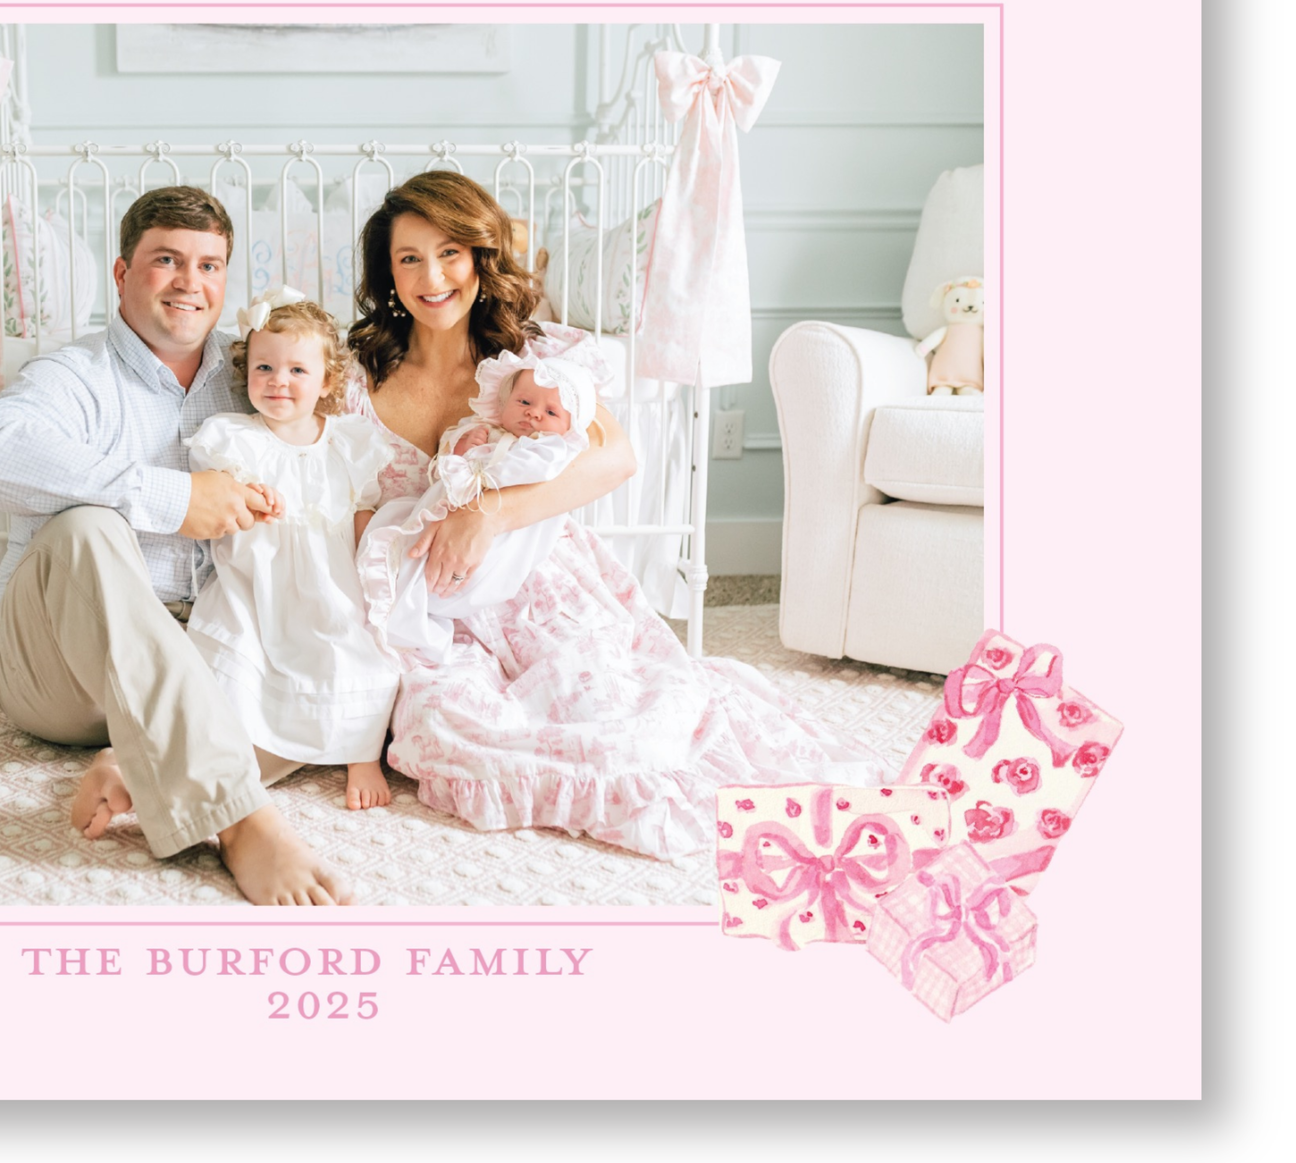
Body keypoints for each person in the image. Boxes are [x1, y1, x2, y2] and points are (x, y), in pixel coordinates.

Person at [341, 170, 886, 862]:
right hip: (428, 606)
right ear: (387, 273)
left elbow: (616, 458)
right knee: (454, 730)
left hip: (538, 579)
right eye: (409, 258)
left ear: (481, 256)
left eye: (450, 252)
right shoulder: (357, 375)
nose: (433, 275)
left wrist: (487, 513)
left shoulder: (535, 358)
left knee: (622, 721)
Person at [0, 186, 351, 905]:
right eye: (166, 261)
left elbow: (345, 442)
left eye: (208, 266)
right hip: (60, 669)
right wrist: (174, 500)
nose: (189, 283)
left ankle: (141, 766)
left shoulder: (260, 372)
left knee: (324, 670)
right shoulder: (73, 376)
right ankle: (237, 820)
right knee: (86, 526)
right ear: (122, 273)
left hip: (209, 655)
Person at [185, 287, 400, 811]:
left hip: (330, 580)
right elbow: (214, 498)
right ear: (246, 373)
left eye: (297, 371)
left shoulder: (348, 441)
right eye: (264, 368)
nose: (278, 381)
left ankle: (361, 753)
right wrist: (251, 495)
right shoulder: (234, 438)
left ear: (327, 381)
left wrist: (376, 564)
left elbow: (364, 510)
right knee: (232, 656)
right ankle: (241, 748)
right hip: (257, 584)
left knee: (357, 651)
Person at [358, 346, 605, 660]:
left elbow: (525, 477)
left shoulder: (551, 450)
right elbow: (442, 472)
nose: (533, 413)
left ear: (570, 426)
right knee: (397, 533)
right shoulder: (487, 432)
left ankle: (418, 618)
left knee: (441, 576)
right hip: (442, 517)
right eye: (524, 402)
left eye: (551, 412)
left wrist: (481, 469)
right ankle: (405, 606)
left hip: (500, 539)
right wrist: (462, 450)